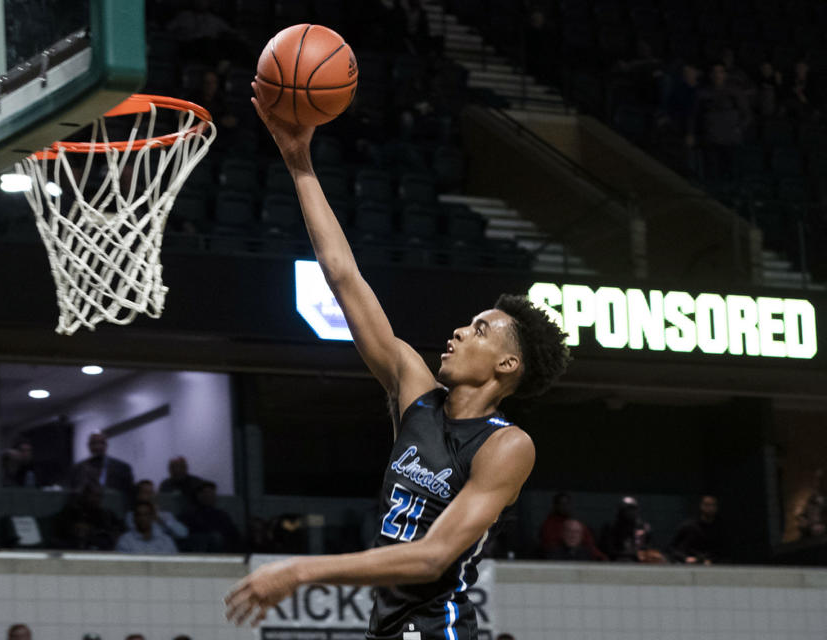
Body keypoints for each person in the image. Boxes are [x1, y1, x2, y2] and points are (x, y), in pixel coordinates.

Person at [225, 85, 571, 637]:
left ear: (507, 366)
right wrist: (299, 162)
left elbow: (431, 558)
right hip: (388, 628)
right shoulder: (416, 393)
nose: (459, 331)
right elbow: (343, 278)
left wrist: (301, 570)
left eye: (480, 330)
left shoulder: (507, 445)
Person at [687, 63, 752, 184]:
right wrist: (690, 133)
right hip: (710, 138)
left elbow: (747, 115)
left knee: (730, 172)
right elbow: (694, 115)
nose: (717, 75)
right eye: (715, 72)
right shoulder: (703, 93)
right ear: (711, 75)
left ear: (725, 74)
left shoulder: (734, 91)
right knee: (711, 172)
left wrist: (739, 129)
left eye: (720, 72)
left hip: (730, 139)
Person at [50, 482, 124, 551]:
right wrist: (75, 530)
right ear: (85, 494)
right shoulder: (69, 512)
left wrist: (93, 532)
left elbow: (117, 534)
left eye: (99, 496)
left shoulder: (107, 515)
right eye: (94, 495)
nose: (97, 499)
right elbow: (57, 538)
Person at [538, 491, 606, 560]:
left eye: (567, 504)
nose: (565, 507)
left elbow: (590, 546)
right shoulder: (549, 525)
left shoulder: (577, 524)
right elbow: (548, 547)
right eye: (562, 504)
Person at [124, 479, 189, 548]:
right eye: (146, 492)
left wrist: (160, 518)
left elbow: (183, 534)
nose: (150, 496)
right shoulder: (131, 516)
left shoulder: (165, 515)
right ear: (138, 495)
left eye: (152, 492)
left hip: (164, 550)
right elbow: (142, 534)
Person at [69, 431, 134, 497]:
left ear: (106, 445)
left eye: (101, 443)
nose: (97, 447)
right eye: (94, 443)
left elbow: (129, 495)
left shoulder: (122, 469)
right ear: (88, 445)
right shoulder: (77, 469)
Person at [181, 480, 241, 552]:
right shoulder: (189, 515)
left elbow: (234, 533)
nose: (209, 496)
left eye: (212, 493)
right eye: (206, 493)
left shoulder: (222, 514)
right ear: (198, 495)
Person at [600, 496, 663, 563]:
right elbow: (607, 549)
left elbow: (649, 547)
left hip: (639, 562)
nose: (631, 512)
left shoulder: (644, 528)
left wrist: (643, 554)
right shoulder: (611, 528)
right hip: (617, 561)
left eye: (633, 509)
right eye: (628, 509)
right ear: (621, 511)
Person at [669, 494, 725, 564]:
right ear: (701, 506)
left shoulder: (720, 529)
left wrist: (712, 560)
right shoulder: (689, 526)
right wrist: (685, 558)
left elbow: (722, 551)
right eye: (707, 505)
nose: (710, 508)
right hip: (688, 564)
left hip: (712, 565)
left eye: (713, 505)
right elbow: (671, 548)